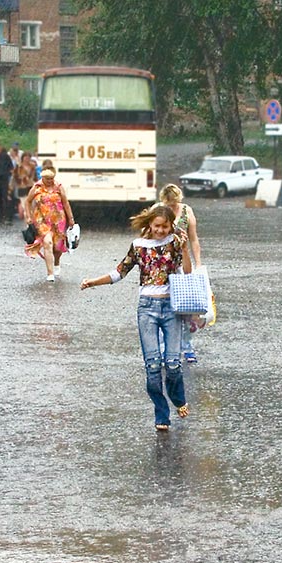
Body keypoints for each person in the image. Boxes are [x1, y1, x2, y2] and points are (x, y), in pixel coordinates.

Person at [80, 205, 192, 432]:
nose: (161, 230)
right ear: (150, 224)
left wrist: (186, 248)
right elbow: (119, 272)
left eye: (165, 226)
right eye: (157, 226)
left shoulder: (175, 243)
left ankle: (178, 398)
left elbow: (187, 272)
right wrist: (93, 282)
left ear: (171, 226)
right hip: (147, 308)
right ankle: (162, 413)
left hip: (172, 307)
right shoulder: (138, 246)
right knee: (152, 366)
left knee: (172, 364)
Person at [158, 183, 203, 363]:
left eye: (174, 204)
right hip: (162, 264)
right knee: (163, 307)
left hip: (182, 263)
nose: (171, 207)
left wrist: (198, 264)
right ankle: (163, 349)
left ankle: (187, 347)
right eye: (168, 204)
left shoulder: (186, 211)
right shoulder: (158, 210)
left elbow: (193, 238)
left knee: (186, 308)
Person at [25, 167, 75, 282]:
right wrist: (28, 216)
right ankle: (50, 273)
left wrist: (71, 218)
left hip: (58, 221)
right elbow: (27, 201)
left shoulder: (58, 187)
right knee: (48, 243)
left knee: (57, 248)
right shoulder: (37, 187)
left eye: (52, 178)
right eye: (47, 179)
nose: (50, 181)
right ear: (42, 178)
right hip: (41, 221)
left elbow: (66, 203)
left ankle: (57, 262)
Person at [14, 151, 38, 220]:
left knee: (32, 205)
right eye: (25, 157)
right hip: (22, 186)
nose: (27, 159)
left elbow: (35, 176)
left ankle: (31, 220)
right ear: (23, 158)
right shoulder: (19, 166)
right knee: (24, 204)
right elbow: (15, 176)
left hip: (31, 186)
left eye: (28, 157)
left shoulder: (32, 166)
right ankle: (27, 219)